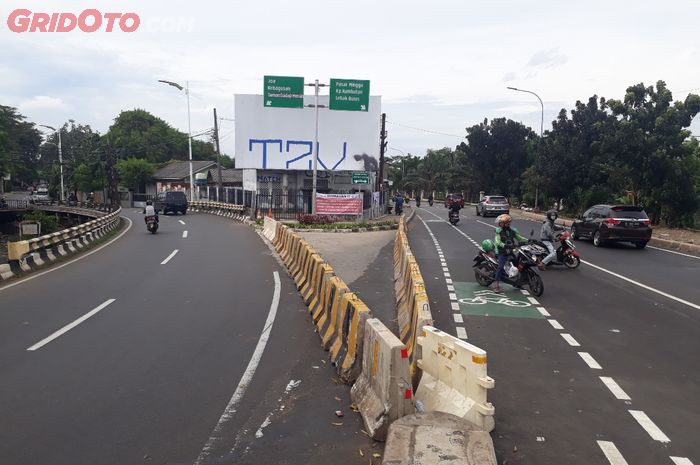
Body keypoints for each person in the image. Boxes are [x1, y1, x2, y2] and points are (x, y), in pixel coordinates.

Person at [493, 214, 528, 293]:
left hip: (510, 251)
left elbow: (519, 238)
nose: (507, 224)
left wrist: (528, 240)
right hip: (502, 252)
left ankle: (518, 281)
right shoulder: (498, 231)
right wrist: (505, 245)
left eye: (508, 222)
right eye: (504, 223)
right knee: (500, 267)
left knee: (518, 265)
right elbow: (497, 242)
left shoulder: (512, 230)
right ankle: (496, 285)